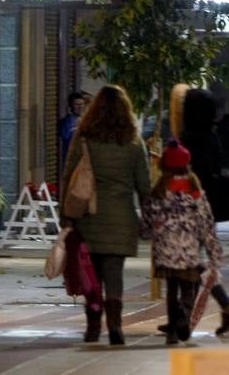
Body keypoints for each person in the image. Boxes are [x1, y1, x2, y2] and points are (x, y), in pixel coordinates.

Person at [62, 85, 152, 346]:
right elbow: (144, 187)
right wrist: (149, 218)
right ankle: (115, 325)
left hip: (89, 218)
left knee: (90, 274)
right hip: (122, 219)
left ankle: (92, 326)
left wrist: (65, 218)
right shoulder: (134, 142)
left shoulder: (84, 138)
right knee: (114, 273)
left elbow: (70, 179)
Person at [172, 86, 229, 334]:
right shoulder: (211, 136)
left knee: (188, 262)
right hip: (209, 208)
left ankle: (224, 308)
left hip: (190, 207)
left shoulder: (187, 139)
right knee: (191, 261)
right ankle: (185, 320)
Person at [140, 140, 224, 346]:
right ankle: (184, 318)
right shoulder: (194, 190)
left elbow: (149, 218)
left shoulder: (159, 190)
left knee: (171, 289)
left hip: (165, 251)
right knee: (190, 287)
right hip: (189, 251)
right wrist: (214, 251)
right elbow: (206, 222)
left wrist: (146, 233)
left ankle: (172, 332)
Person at [59, 91, 87, 171]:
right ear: (71, 107)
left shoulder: (86, 120)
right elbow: (65, 135)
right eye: (77, 104)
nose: (80, 107)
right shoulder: (67, 122)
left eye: (81, 104)